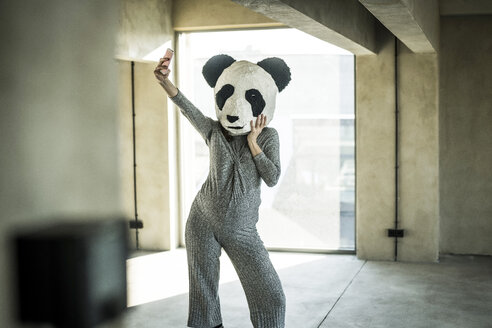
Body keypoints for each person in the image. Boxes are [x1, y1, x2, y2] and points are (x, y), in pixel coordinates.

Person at [154, 53, 286, 328]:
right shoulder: (213, 131)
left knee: (272, 296)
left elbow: (272, 177)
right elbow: (186, 107)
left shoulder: (268, 136)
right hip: (202, 219)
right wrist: (165, 81)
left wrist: (253, 141)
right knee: (203, 292)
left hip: (242, 230)